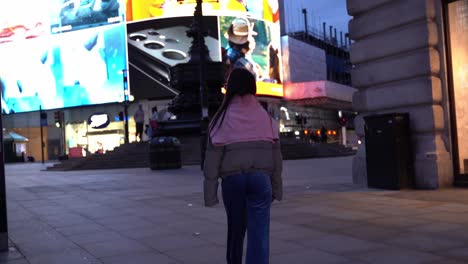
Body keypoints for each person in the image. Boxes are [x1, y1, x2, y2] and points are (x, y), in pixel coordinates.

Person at [203, 68, 283, 264]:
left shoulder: (221, 119)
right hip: (261, 180)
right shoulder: (266, 118)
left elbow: (211, 162)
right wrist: (277, 188)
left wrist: (210, 194)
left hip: (233, 181)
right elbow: (276, 159)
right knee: (259, 237)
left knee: (236, 232)